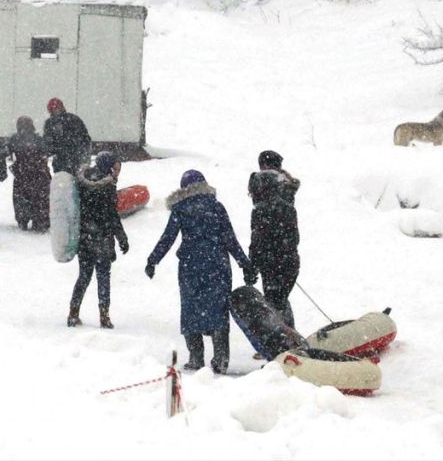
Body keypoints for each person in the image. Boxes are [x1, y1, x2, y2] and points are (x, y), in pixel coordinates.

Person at [145, 170, 257, 374]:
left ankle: (196, 358)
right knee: (219, 312)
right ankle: (221, 359)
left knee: (191, 310)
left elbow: (168, 238)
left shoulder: (180, 208)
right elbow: (230, 239)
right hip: (218, 265)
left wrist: (153, 260)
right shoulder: (216, 207)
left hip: (191, 266)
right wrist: (245, 264)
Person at [67, 151, 129, 329]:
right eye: (114, 168)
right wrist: (122, 238)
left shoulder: (82, 182)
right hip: (102, 238)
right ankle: (104, 316)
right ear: (108, 167)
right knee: (103, 277)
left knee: (84, 276)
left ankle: (73, 312)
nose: (116, 172)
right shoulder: (107, 186)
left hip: (85, 237)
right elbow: (112, 216)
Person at [248, 150, 301, 329]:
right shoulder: (287, 199)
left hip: (271, 262)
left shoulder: (262, 209)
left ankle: (284, 338)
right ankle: (290, 334)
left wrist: (253, 264)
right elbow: (293, 237)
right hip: (289, 260)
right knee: (280, 300)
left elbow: (258, 239)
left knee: (274, 303)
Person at [7, 116, 51, 232]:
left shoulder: (15, 139)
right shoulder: (38, 139)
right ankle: (40, 221)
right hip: (39, 173)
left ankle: (23, 220)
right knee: (40, 199)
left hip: (22, 173)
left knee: (21, 197)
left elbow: (6, 151)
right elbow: (46, 152)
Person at [43, 97, 91, 175]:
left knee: (62, 179)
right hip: (72, 159)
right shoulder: (73, 119)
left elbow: (48, 143)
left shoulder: (50, 123)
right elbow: (85, 140)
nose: (55, 111)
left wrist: (48, 153)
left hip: (64, 160)